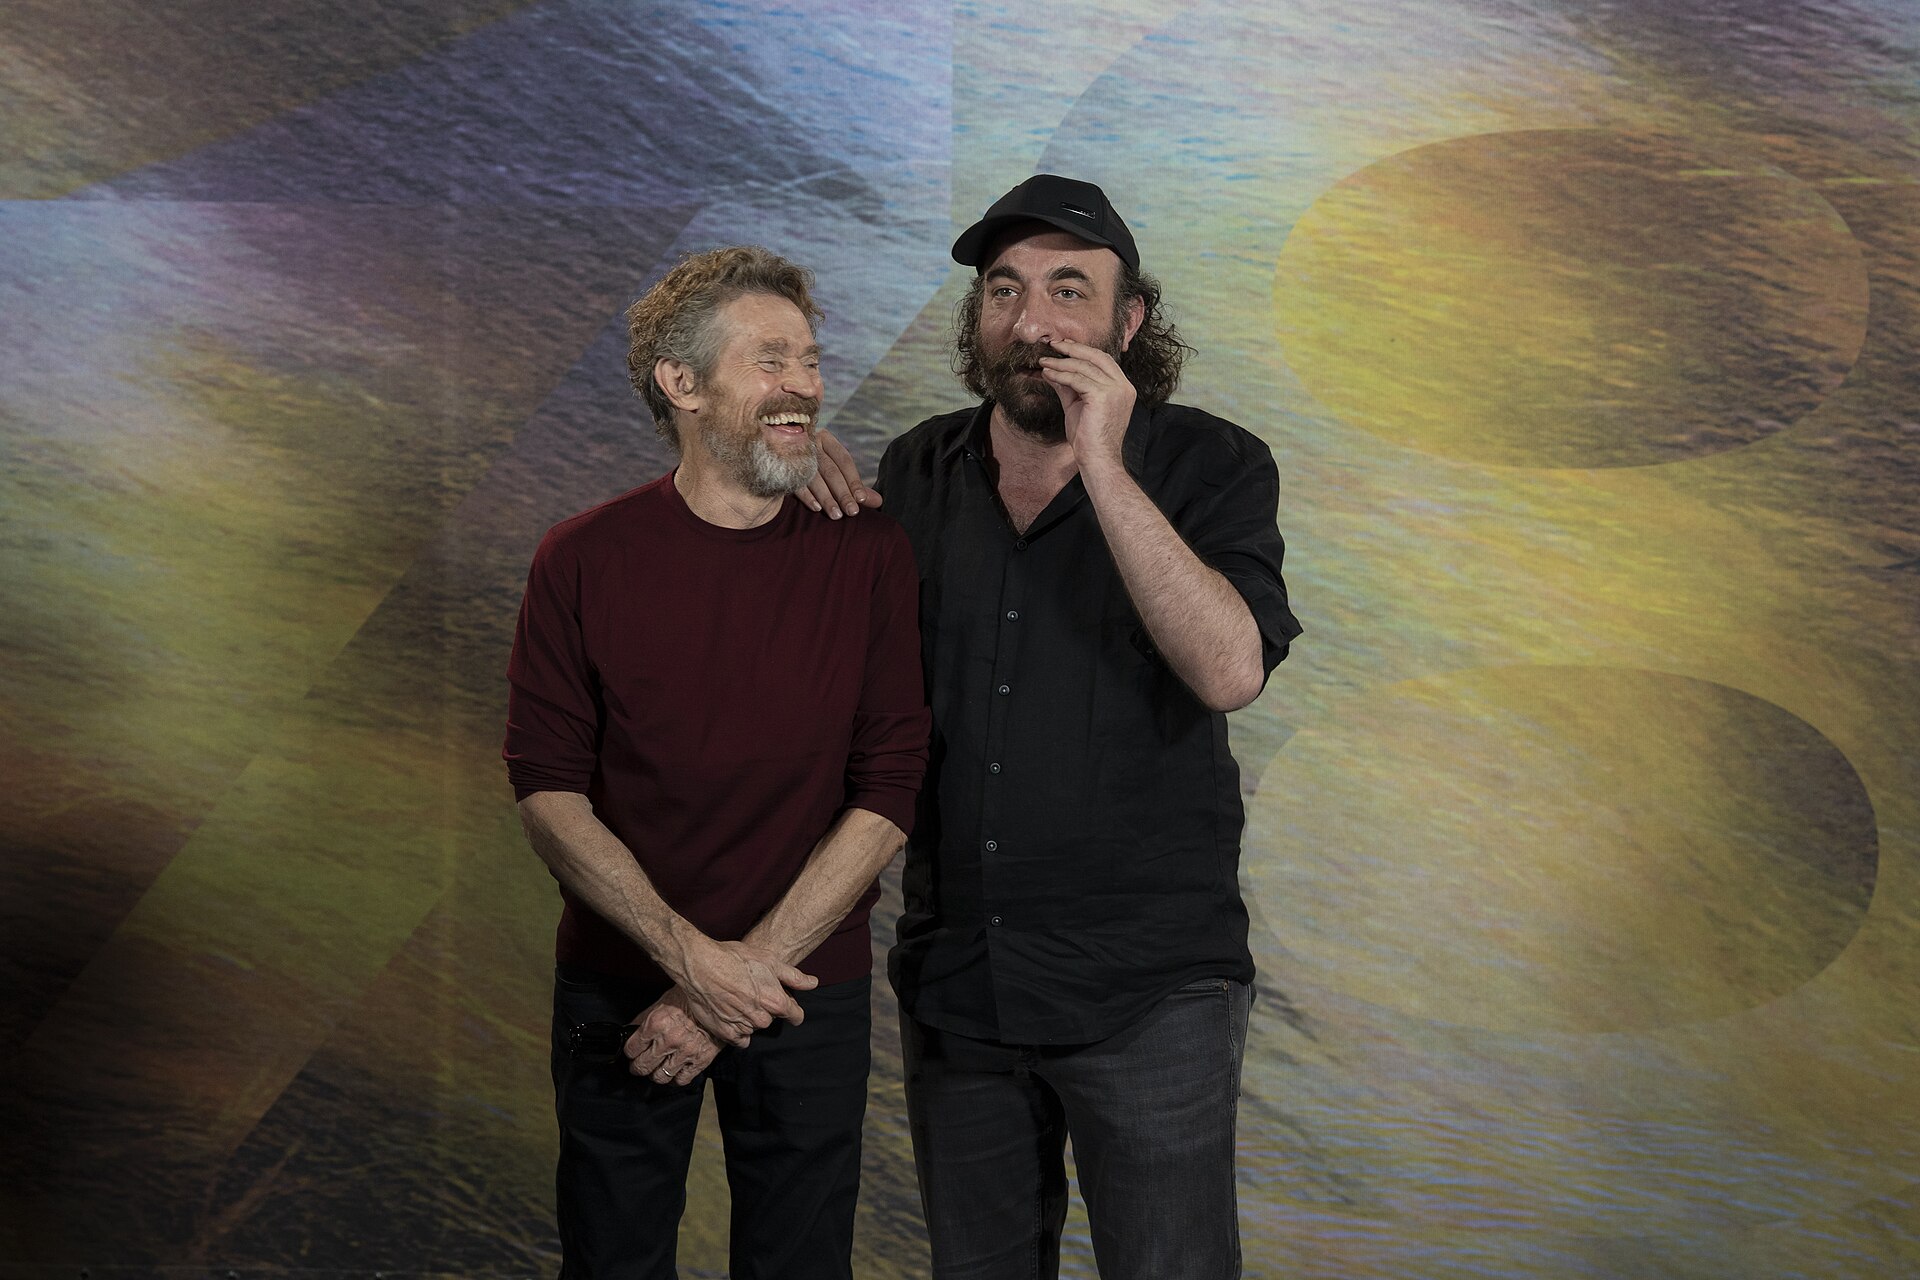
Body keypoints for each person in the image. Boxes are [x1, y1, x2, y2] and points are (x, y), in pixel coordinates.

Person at [804, 175, 1303, 1278]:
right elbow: (849, 701)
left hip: (1151, 989)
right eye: (1004, 290)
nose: (1031, 321)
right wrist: (783, 492)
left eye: (1068, 290)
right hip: (961, 980)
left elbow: (1229, 668)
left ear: (1129, 323)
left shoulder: (1215, 463)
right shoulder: (917, 470)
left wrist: (1106, 464)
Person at [504, 245, 930, 1280]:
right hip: (618, 987)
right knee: (612, 1259)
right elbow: (548, 788)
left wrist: (730, 982)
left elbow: (891, 784)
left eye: (811, 361)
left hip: (805, 987)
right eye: (771, 360)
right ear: (682, 384)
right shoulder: (581, 558)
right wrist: (689, 960)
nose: (806, 385)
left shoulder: (868, 551)